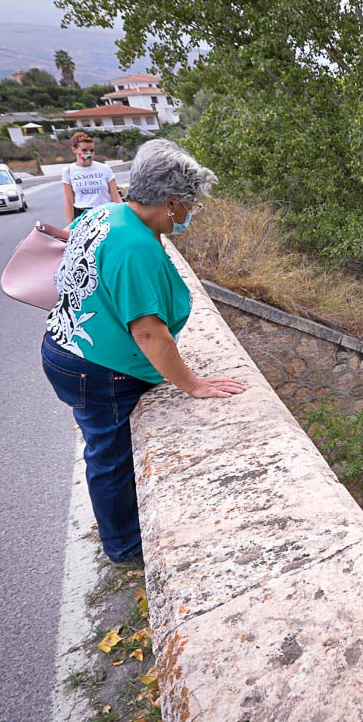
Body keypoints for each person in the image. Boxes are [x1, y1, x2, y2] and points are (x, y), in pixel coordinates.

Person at [41, 139, 246, 564]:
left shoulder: (103, 214)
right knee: (110, 458)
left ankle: (121, 537)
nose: (191, 215)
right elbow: (149, 333)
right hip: (94, 369)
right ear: (171, 202)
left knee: (103, 450)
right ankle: (124, 549)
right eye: (190, 206)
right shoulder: (134, 245)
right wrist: (192, 384)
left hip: (64, 347)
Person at [62, 132, 123, 225]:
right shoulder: (68, 171)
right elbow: (69, 200)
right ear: (74, 150)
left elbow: (115, 196)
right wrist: (70, 224)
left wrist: (122, 216)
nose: (89, 154)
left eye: (92, 150)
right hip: (82, 216)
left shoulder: (104, 169)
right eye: (84, 150)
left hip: (105, 214)